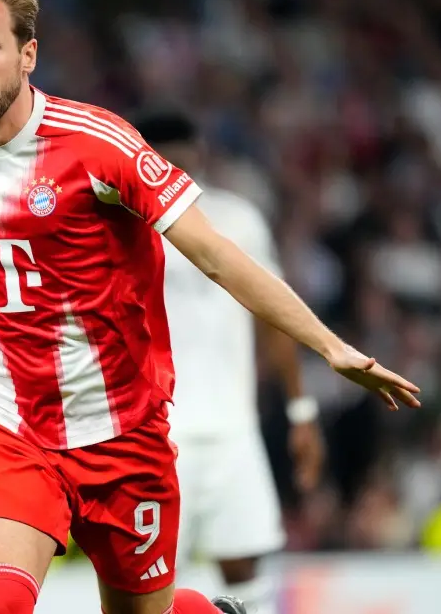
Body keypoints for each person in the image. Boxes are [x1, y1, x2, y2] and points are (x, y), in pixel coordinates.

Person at [0, 0, 420, 614]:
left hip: (124, 433)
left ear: (27, 53)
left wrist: (331, 347)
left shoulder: (99, 145)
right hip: (11, 426)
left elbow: (218, 256)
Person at [138, 109, 321, 614]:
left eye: (184, 157)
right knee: (149, 569)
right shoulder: (121, 225)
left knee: (244, 564)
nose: (176, 168)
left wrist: (300, 411)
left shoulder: (239, 219)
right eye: (163, 159)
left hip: (233, 427)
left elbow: (272, 316)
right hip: (156, 429)